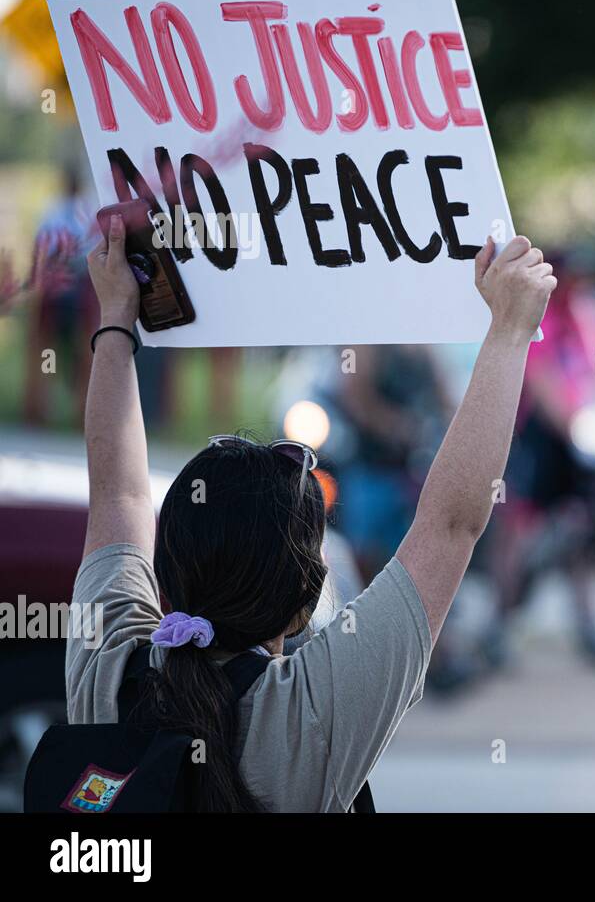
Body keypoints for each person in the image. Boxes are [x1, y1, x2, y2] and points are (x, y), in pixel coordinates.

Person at [68, 218, 555, 811]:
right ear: (307, 603)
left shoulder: (109, 666)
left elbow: (117, 496)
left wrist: (117, 313)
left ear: (164, 571)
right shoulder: (315, 712)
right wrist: (509, 331)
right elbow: (451, 523)